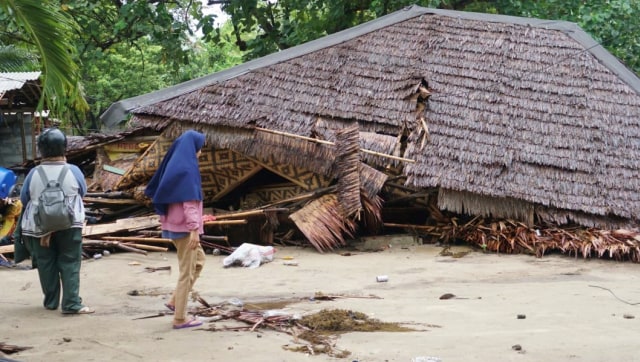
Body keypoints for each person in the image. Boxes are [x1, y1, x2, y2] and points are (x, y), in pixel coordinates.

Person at [20, 128, 93, 314]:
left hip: (39, 227)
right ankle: (71, 304)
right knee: (70, 261)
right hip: (70, 224)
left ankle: (51, 301)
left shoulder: (33, 173)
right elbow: (82, 192)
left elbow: (24, 198)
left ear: (41, 149)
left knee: (46, 262)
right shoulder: (73, 170)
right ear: (64, 147)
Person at [144, 130, 207, 329]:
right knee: (186, 272)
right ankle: (180, 318)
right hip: (185, 230)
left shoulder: (175, 167)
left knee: (199, 261)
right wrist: (194, 230)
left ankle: (174, 301)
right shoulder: (188, 170)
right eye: (200, 148)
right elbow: (189, 203)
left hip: (174, 226)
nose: (200, 152)